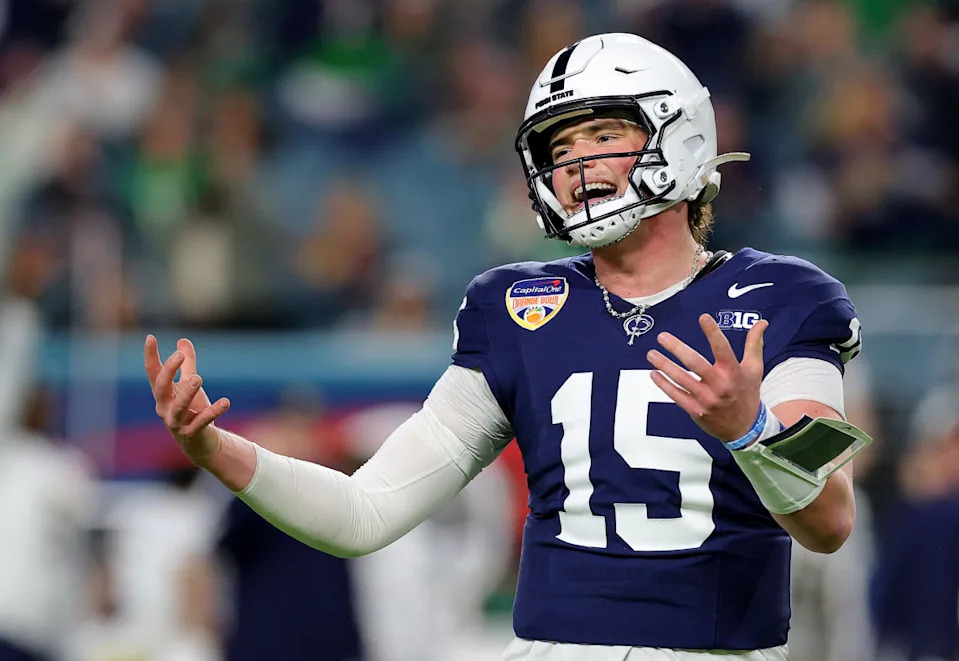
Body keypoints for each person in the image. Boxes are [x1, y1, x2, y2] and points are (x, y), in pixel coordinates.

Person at [145, 33, 866, 659]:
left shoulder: (780, 295)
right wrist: (220, 452)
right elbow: (363, 512)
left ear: (677, 135)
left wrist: (750, 430)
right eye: (560, 147)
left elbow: (829, 520)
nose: (576, 165)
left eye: (600, 136)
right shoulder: (516, 307)